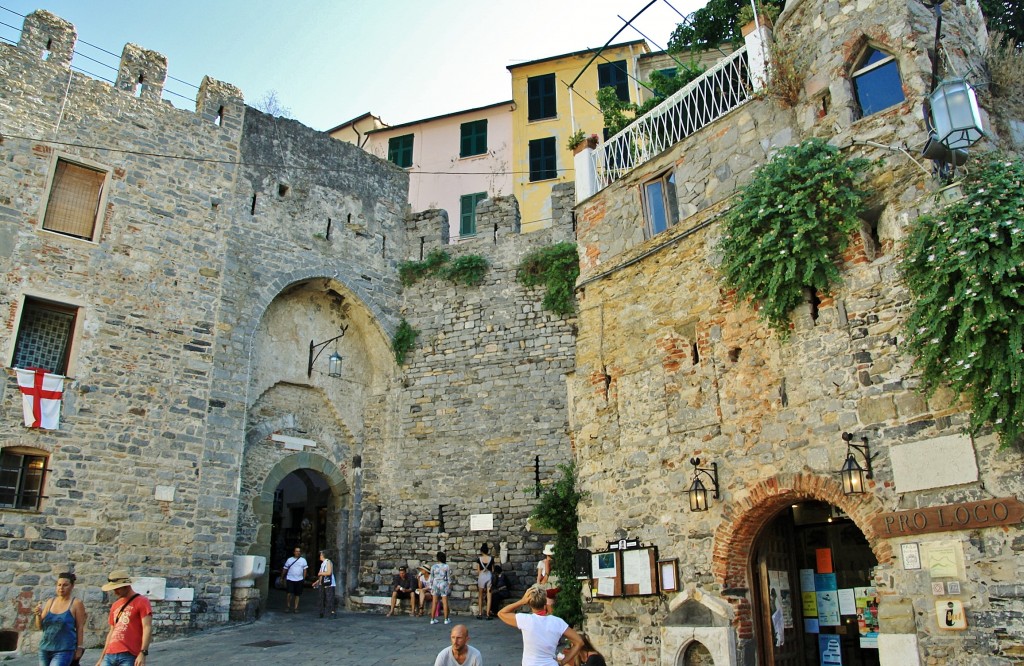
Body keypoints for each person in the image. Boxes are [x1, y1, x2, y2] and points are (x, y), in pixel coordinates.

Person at [497, 585, 583, 666]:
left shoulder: (525, 620)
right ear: (545, 602)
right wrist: (563, 662)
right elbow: (579, 642)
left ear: (529, 604)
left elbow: (501, 613)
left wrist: (521, 601)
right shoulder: (557, 622)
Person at [95, 569, 152, 666]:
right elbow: (112, 631)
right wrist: (101, 658)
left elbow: (147, 627)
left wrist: (143, 653)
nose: (115, 591)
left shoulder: (142, 601)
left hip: (129, 654)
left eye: (117, 588)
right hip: (110, 653)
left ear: (126, 586)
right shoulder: (115, 605)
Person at [34, 571, 87, 666]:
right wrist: (38, 615)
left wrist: (79, 648)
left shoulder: (76, 603)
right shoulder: (50, 602)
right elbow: (40, 627)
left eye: (65, 585)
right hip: (45, 648)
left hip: (64, 649)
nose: (61, 588)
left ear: (72, 586)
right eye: (59, 585)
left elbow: (80, 627)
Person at [280, 546, 308, 614]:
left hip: (299, 579)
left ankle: (296, 607)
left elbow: (305, 570)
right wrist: (282, 577)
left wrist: (303, 578)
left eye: (299, 551)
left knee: (297, 594)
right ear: (294, 552)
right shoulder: (289, 560)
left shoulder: (303, 560)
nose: (298, 552)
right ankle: (288, 606)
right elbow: (285, 569)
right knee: (289, 593)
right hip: (290, 578)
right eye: (296, 551)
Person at [311, 550, 336, 619]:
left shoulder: (328, 562)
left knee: (329, 598)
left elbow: (329, 572)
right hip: (322, 583)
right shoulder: (323, 563)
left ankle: (332, 612)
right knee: (322, 597)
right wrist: (317, 581)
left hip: (329, 583)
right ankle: (321, 612)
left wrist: (320, 573)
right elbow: (322, 575)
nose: (320, 556)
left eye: (321, 555)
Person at [429, 551, 452, 625]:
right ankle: (446, 619)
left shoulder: (433, 566)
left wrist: (431, 586)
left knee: (434, 602)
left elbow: (431, 578)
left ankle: (432, 619)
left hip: (435, 583)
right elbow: (448, 577)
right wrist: (449, 584)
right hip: (443, 583)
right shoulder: (446, 566)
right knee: (445, 602)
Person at [474, 543, 495, 620]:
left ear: (481, 551)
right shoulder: (491, 559)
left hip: (482, 576)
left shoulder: (479, 559)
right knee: (489, 596)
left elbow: (478, 570)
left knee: (480, 595)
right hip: (489, 575)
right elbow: (493, 570)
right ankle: (488, 614)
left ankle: (480, 613)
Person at [536, 543, 558, 611]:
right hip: (545, 584)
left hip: (553, 585)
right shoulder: (542, 562)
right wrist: (538, 585)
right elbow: (539, 577)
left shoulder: (556, 563)